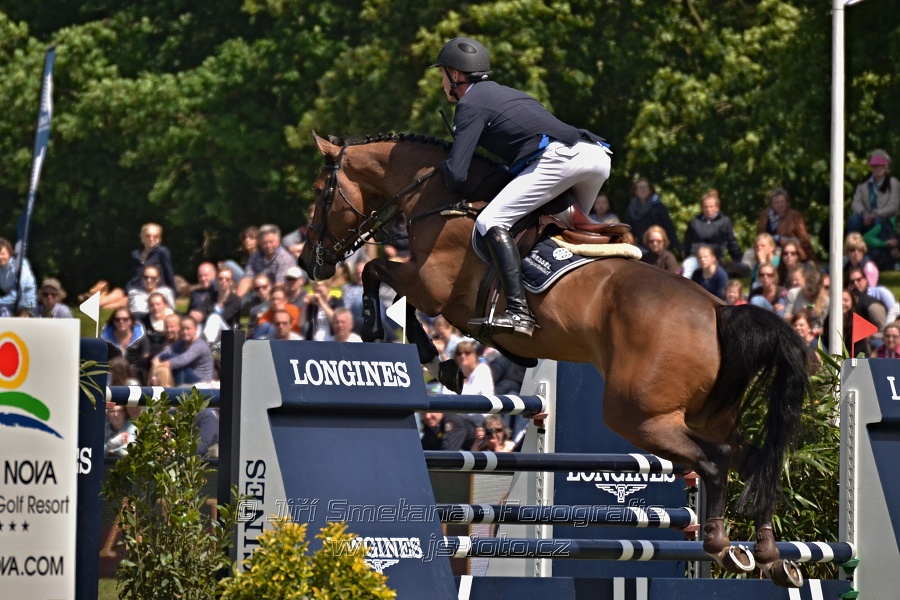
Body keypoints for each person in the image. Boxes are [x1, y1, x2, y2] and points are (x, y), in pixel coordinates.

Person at [431, 36, 611, 337]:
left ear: (456, 75)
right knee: (556, 229)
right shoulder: (509, 94)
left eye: (441, 75)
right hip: (596, 156)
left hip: (561, 160)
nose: (441, 83)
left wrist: (440, 167)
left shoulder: (470, 103)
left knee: (491, 220)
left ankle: (518, 312)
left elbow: (458, 175)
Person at [681, 189, 742, 279]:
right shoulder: (694, 222)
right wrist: (686, 256)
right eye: (706, 207)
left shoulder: (725, 222)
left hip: (715, 257)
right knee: (688, 269)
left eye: (711, 207)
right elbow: (687, 242)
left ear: (717, 207)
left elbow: (731, 242)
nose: (708, 210)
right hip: (696, 256)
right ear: (702, 208)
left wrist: (737, 260)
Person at [236, 224, 297, 298]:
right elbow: (247, 279)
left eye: (271, 242)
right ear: (260, 243)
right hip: (258, 294)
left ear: (278, 242)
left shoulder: (284, 259)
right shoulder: (255, 256)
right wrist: (236, 300)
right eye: (265, 243)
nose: (268, 246)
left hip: (278, 297)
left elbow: (279, 286)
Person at [849, 150, 899, 237]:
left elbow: (893, 206)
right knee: (853, 220)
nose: (875, 168)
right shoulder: (863, 183)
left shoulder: (893, 183)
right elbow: (856, 202)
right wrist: (864, 214)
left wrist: (877, 213)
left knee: (879, 222)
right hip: (866, 217)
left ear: (885, 166)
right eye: (873, 165)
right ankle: (853, 246)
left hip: (884, 218)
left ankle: (877, 250)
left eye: (878, 165)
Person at [152, 316, 215, 385]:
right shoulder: (181, 343)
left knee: (175, 359)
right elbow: (166, 351)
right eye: (182, 329)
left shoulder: (200, 345)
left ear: (196, 329)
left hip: (201, 382)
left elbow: (183, 360)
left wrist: (162, 364)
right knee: (165, 356)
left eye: (188, 329)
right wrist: (156, 359)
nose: (185, 332)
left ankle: (178, 390)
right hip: (189, 378)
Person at [757, 188, 816, 262]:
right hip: (767, 249)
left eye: (782, 202)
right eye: (776, 202)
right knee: (749, 253)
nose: (779, 205)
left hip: (787, 251)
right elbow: (759, 236)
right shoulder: (765, 215)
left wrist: (811, 258)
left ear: (787, 202)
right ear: (771, 204)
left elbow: (804, 240)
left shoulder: (795, 215)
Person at [626, 178, 681, 256]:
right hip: (642, 247)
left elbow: (669, 227)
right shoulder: (631, 209)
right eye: (640, 188)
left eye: (645, 187)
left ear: (650, 190)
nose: (642, 190)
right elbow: (630, 232)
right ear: (635, 191)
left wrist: (677, 246)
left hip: (659, 246)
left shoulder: (659, 207)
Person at [101, 307, 150, 380]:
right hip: (113, 374)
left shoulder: (141, 338)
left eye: (125, 319)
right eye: (117, 319)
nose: (121, 321)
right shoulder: (105, 339)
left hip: (135, 375)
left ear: (130, 321)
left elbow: (146, 356)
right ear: (113, 322)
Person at [0, 237, 36, 316]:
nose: (0, 257)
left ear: (9, 253)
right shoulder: (1, 269)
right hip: (12, 305)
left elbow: (17, 294)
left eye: (2, 254)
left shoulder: (19, 265)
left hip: (27, 307)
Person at [187, 262, 218, 327]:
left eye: (206, 275)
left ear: (214, 275)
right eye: (200, 276)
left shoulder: (218, 293)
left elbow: (224, 314)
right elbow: (188, 312)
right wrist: (191, 313)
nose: (203, 279)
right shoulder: (195, 294)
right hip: (196, 326)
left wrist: (204, 316)